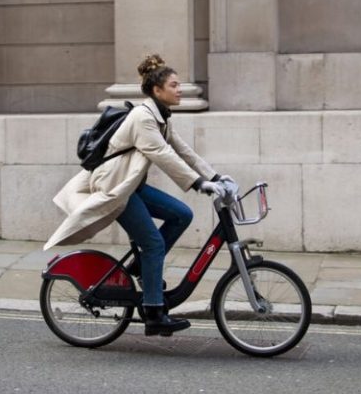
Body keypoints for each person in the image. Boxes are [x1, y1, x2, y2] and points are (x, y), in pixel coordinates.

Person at [43, 54, 232, 337]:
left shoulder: (161, 117)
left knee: (182, 215)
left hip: (132, 185)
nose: (180, 89)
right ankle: (154, 312)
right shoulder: (143, 117)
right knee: (154, 244)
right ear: (157, 90)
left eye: (179, 85)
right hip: (117, 188)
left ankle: (141, 267)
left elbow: (183, 151)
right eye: (174, 85)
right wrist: (197, 183)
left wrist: (215, 177)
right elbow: (162, 154)